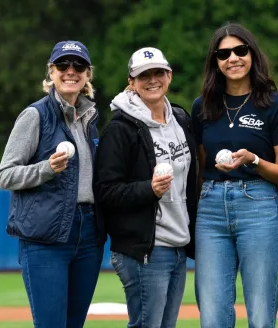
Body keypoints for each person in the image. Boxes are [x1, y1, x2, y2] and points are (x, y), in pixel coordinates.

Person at [191, 23, 278, 328]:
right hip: (211, 206)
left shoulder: (277, 104)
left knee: (261, 314)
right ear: (215, 62)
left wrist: (253, 161)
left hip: (259, 203)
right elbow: (201, 168)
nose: (233, 58)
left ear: (252, 53)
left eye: (240, 50)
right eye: (223, 54)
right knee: (212, 316)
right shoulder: (203, 106)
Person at [0, 40, 104, 328]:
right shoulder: (35, 115)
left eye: (79, 65)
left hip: (88, 234)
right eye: (63, 65)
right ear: (51, 72)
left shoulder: (89, 118)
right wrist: (46, 169)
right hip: (46, 237)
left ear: (87, 74)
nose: (71, 71)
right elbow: (5, 174)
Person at [94, 47, 197, 328]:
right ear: (131, 81)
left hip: (177, 246)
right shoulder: (120, 128)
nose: (152, 80)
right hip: (144, 250)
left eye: (158, 73)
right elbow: (105, 191)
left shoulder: (181, 119)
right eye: (143, 75)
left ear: (169, 75)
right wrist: (149, 189)